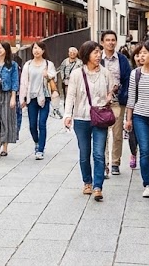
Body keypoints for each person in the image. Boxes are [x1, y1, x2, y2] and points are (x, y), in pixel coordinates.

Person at [63, 40, 115, 202]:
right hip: (81, 118)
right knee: (85, 153)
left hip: (99, 118)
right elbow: (71, 95)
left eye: (100, 52)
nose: (99, 55)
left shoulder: (105, 73)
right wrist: (67, 115)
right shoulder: (77, 74)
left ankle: (98, 186)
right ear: (87, 55)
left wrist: (109, 97)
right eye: (95, 52)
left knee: (99, 153)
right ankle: (87, 182)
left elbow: (111, 89)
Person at [125, 40, 149, 198]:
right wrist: (128, 119)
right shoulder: (136, 73)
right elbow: (131, 98)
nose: (141, 56)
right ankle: (146, 183)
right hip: (140, 116)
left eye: (144, 53)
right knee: (144, 150)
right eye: (139, 53)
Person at [100, 30, 133, 176]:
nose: (110, 42)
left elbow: (127, 79)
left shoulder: (122, 59)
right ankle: (104, 161)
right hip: (100, 101)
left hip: (117, 100)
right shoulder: (97, 58)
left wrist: (123, 95)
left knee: (117, 133)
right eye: (107, 40)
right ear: (102, 42)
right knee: (102, 133)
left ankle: (115, 162)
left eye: (113, 40)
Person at [20, 42, 58, 160]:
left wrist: (47, 75)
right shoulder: (28, 64)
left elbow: (54, 78)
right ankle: (36, 141)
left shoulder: (48, 64)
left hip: (44, 97)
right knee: (32, 125)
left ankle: (40, 150)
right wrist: (22, 98)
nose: (36, 50)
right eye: (35, 48)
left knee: (42, 123)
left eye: (39, 48)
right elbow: (24, 82)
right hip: (31, 98)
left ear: (43, 51)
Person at [0, 42, 20, 156]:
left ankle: (4, 145)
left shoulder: (13, 65)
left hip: (6, 93)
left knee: (6, 119)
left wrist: (13, 97)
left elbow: (15, 81)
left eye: (1, 48)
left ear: (6, 50)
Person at [55, 47, 82, 118]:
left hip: (76, 82)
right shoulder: (65, 61)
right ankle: (67, 112)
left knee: (76, 98)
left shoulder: (79, 62)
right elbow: (61, 70)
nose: (72, 54)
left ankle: (75, 112)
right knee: (68, 97)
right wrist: (63, 78)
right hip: (67, 82)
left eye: (74, 53)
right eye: (71, 52)